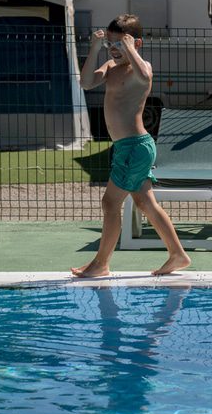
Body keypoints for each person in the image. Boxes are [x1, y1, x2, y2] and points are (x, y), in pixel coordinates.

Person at [72, 14, 191, 278]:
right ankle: (177, 254)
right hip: (130, 148)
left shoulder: (140, 68)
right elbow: (86, 82)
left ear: (135, 43)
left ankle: (101, 264)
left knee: (110, 203)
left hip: (135, 147)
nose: (114, 50)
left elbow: (146, 75)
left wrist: (130, 49)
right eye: (111, 44)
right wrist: (94, 48)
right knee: (145, 202)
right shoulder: (111, 69)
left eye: (120, 44)